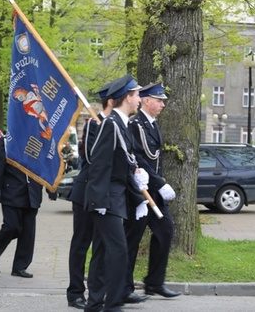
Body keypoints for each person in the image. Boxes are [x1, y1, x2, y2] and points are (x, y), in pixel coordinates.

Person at [83, 74, 149, 312]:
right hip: (107, 199)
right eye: (137, 94)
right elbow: (98, 163)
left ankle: (94, 303)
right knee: (119, 250)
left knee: (101, 252)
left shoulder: (123, 124)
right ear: (127, 98)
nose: (140, 98)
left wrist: (136, 174)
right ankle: (113, 303)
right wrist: (99, 200)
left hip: (116, 197)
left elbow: (124, 161)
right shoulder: (111, 125)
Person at [124, 83, 182, 299]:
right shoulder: (135, 125)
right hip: (139, 193)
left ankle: (154, 282)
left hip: (154, 193)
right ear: (146, 101)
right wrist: (160, 183)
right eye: (159, 100)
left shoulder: (153, 125)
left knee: (165, 231)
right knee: (132, 239)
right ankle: (125, 287)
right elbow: (138, 157)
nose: (162, 104)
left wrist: (158, 184)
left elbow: (155, 158)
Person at [66, 83, 112, 309]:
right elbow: (91, 156)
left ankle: (97, 294)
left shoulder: (119, 125)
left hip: (105, 196)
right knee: (81, 244)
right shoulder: (94, 124)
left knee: (101, 246)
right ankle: (75, 292)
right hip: (85, 193)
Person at [0, 136, 46, 279]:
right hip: (12, 191)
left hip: (32, 192)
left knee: (28, 232)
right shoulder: (7, 140)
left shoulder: (40, 138)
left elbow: (46, 165)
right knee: (11, 226)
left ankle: (20, 266)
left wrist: (52, 188)